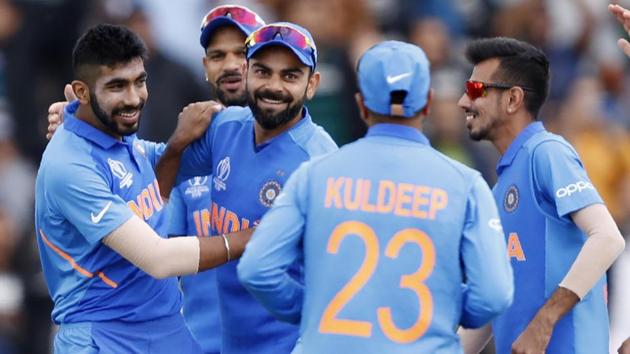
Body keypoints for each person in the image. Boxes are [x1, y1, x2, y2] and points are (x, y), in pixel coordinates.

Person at [237, 40, 514, 353]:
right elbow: (494, 293)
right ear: (427, 102)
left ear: (361, 104)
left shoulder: (314, 175)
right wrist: (444, 312)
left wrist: (311, 308)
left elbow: (257, 269)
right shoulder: (466, 184)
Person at [35, 24, 252, 353]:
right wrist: (258, 235)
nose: (134, 98)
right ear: (81, 91)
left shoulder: (118, 136)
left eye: (140, 81)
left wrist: (179, 144)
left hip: (166, 327)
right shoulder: (69, 166)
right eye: (117, 86)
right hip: (104, 336)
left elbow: (156, 190)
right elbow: (158, 259)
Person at [155, 22, 338, 354]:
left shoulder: (321, 161)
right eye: (263, 72)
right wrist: (84, 126)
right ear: (247, 71)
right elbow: (152, 173)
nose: (274, 86)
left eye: (290, 76)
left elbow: (336, 279)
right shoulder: (225, 127)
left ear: (312, 85)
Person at [456, 37, 625, 354]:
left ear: (513, 99)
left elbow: (608, 238)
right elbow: (492, 306)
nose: (463, 101)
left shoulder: (546, 152)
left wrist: (543, 322)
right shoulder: (499, 188)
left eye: (476, 89)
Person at [166, 6, 265, 354]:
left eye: (243, 52)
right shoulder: (188, 149)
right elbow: (160, 252)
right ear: (205, 68)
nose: (231, 64)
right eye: (217, 55)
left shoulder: (303, 147)